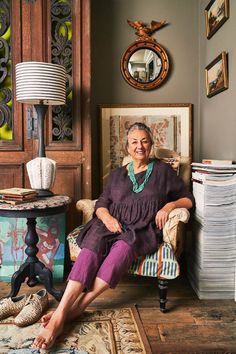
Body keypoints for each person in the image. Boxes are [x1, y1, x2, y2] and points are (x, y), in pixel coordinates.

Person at [33, 122, 194, 349]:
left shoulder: (162, 172)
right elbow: (102, 203)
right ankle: (63, 312)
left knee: (122, 251)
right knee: (89, 252)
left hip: (138, 229)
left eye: (144, 141)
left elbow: (188, 198)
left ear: (151, 144)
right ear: (127, 147)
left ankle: (71, 311)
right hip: (108, 224)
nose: (140, 146)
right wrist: (107, 218)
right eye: (134, 142)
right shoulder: (118, 174)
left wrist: (169, 206)